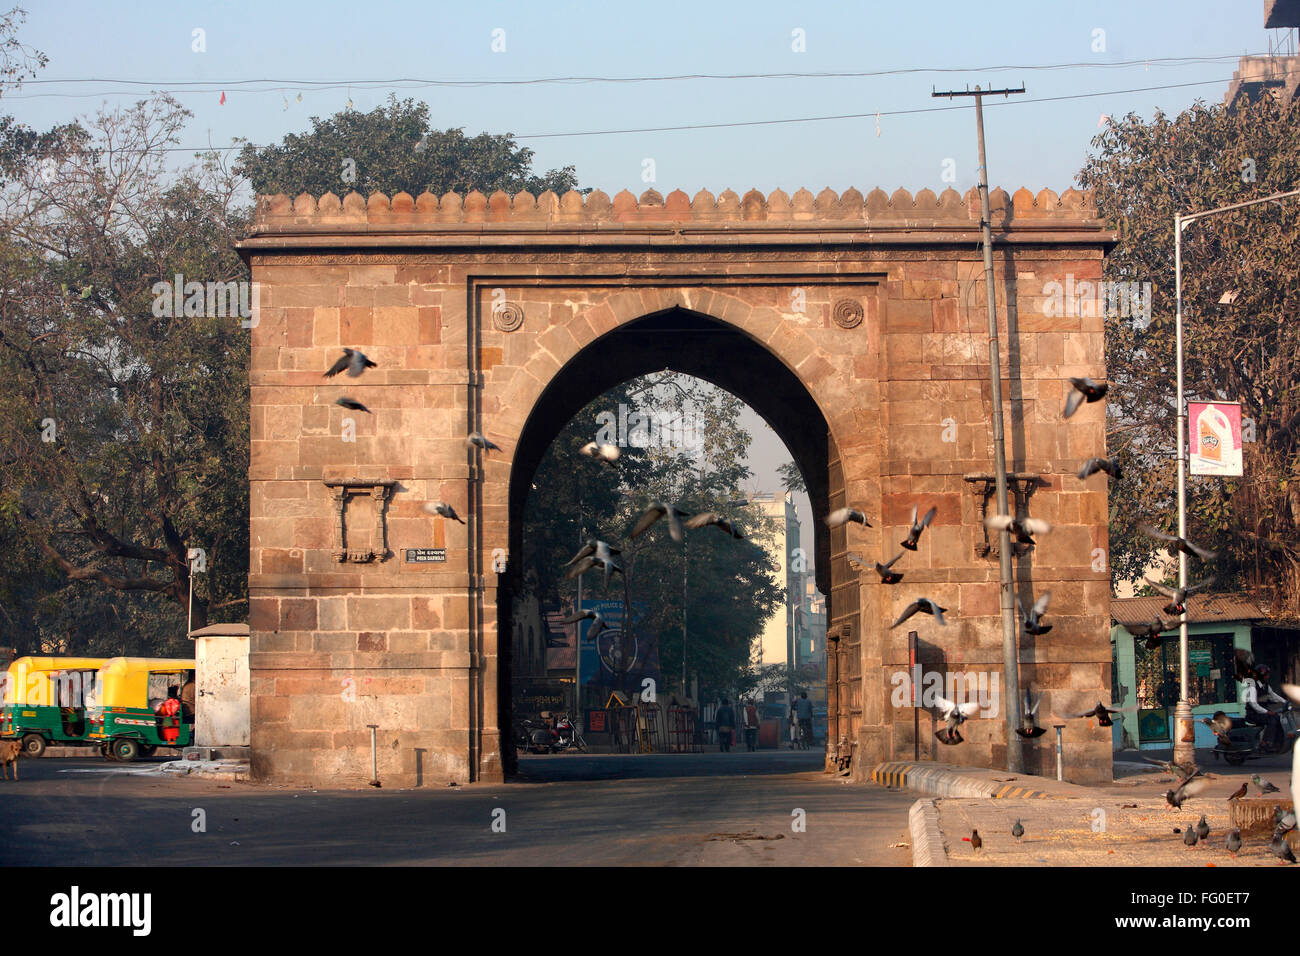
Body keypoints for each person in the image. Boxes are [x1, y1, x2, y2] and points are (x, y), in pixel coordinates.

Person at [1243, 665, 1287, 752]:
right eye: (1266, 675)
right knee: (1273, 719)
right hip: (1253, 714)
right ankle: (1264, 743)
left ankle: (1276, 743)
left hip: (1262, 713)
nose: (1268, 676)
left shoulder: (1265, 685)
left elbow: (1273, 695)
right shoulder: (1252, 687)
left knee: (1279, 718)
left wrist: (1285, 702)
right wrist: (1266, 712)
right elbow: (1253, 704)